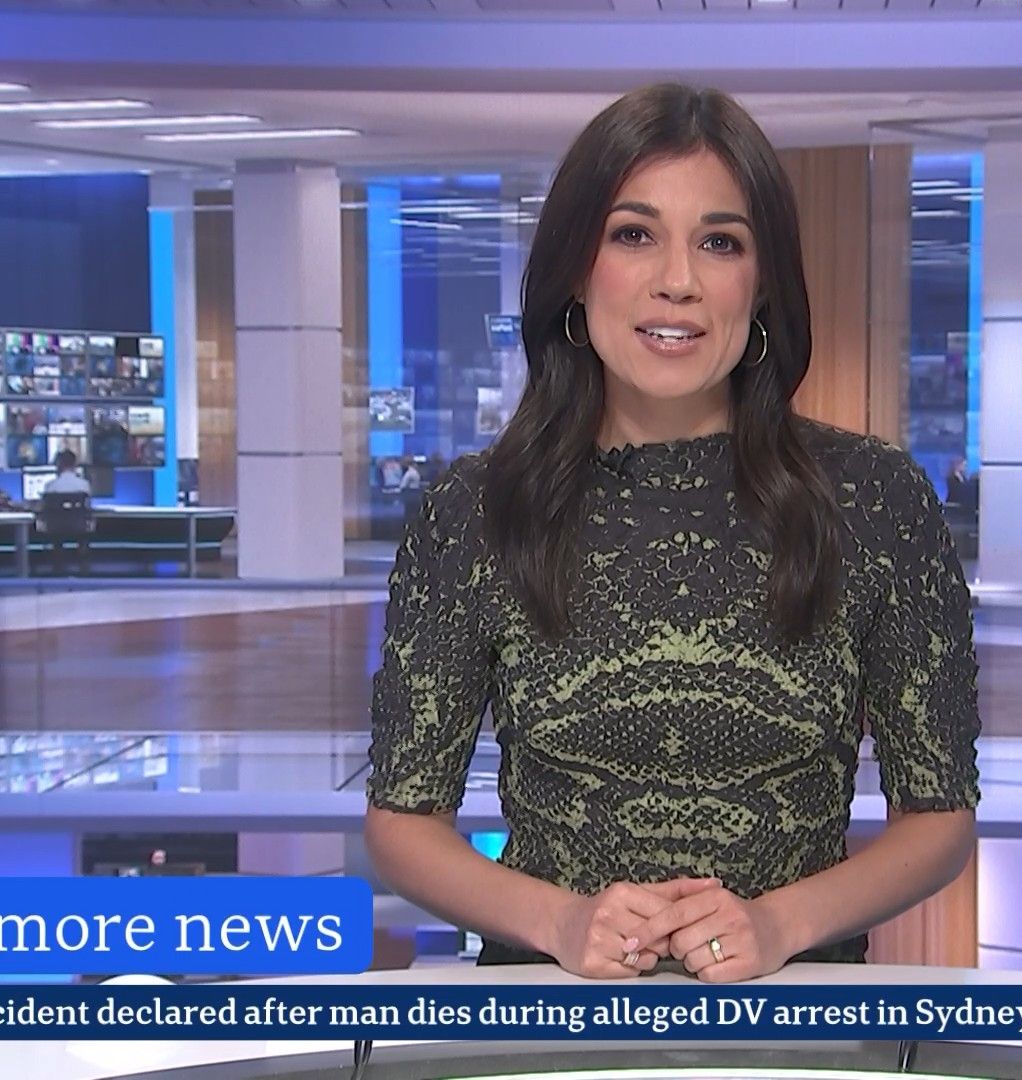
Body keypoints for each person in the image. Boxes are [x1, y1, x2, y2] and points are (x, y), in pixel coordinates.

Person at [365, 83, 979, 984]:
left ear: (761, 284)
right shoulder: (475, 511)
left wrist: (777, 923)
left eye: (720, 242)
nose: (678, 281)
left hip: (794, 1014)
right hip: (550, 1009)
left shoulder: (874, 500)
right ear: (578, 269)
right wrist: (562, 920)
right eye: (633, 234)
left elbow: (940, 819)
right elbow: (402, 823)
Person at [39, 449, 93, 576]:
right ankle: (84, 568)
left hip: (55, 529)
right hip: (79, 527)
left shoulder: (50, 486)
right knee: (84, 534)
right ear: (75, 464)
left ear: (59, 464)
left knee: (55, 533)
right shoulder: (84, 485)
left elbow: (44, 510)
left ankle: (57, 568)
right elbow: (88, 508)